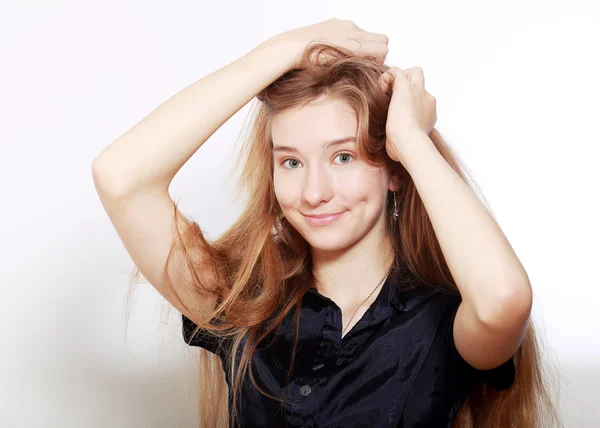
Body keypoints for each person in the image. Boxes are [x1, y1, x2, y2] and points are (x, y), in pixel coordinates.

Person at [92, 18, 561, 428]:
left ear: (394, 168)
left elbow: (505, 299)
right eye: (291, 162)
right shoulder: (243, 302)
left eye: (343, 156)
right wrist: (282, 50)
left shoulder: (441, 321)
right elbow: (120, 177)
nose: (314, 192)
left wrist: (412, 140)